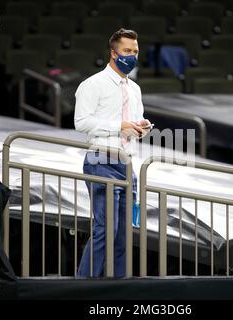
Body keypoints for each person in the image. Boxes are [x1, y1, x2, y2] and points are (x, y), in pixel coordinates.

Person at [74, 28, 151, 277]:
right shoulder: (92, 84)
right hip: (101, 160)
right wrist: (118, 126)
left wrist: (141, 127)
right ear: (114, 52)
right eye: (127, 51)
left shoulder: (135, 89)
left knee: (123, 234)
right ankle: (83, 286)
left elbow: (133, 123)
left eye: (135, 51)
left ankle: (119, 287)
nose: (132, 56)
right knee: (105, 229)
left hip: (127, 163)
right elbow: (81, 122)